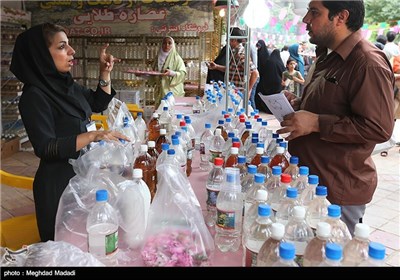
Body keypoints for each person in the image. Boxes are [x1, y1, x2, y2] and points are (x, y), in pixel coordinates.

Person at [277, 0, 395, 236]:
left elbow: (378, 127)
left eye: (314, 13)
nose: (305, 20)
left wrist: (316, 122)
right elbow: (331, 106)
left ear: (340, 17)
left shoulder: (367, 63)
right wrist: (300, 106)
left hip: (337, 190)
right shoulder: (326, 56)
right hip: (311, 181)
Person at [10, 23, 129, 242]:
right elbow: (46, 147)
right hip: (58, 187)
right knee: (66, 249)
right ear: (41, 56)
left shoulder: (66, 85)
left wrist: (104, 73)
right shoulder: (34, 96)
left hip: (79, 178)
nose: (72, 51)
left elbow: (97, 102)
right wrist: (93, 136)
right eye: (62, 47)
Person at [208, 27, 259, 105]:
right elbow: (230, 69)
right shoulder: (234, 53)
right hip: (233, 92)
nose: (226, 42)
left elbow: (255, 73)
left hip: (239, 93)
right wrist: (216, 67)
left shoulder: (240, 54)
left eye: (227, 40)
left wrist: (248, 90)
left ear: (234, 40)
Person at [148, 36, 186, 107]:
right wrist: (144, 75)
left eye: (169, 43)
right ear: (161, 45)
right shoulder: (157, 58)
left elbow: (183, 73)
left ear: (173, 45)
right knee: (160, 111)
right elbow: (153, 73)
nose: (167, 45)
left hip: (172, 91)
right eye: (164, 43)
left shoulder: (177, 58)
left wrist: (172, 73)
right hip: (160, 92)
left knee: (172, 112)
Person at [255, 47, 286, 113]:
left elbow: (264, 71)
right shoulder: (279, 62)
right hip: (277, 83)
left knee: (268, 96)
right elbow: (283, 71)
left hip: (268, 82)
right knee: (275, 97)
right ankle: (275, 110)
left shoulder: (268, 61)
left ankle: (267, 109)